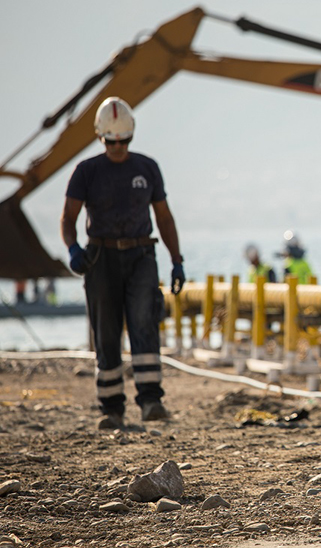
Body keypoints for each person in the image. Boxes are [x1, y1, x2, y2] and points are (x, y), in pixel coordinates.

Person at [61, 96, 185, 430]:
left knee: (145, 322)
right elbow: (68, 218)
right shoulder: (87, 172)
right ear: (101, 137)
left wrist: (176, 260)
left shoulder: (147, 168)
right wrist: (73, 249)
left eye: (124, 140)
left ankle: (151, 400)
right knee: (106, 331)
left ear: (131, 135)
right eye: (112, 141)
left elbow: (164, 217)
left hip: (141, 255)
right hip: (101, 258)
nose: (118, 147)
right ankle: (112, 407)